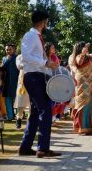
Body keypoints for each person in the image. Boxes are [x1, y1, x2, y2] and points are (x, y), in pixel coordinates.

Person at [18, 10, 61, 158]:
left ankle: (25, 147)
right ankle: (43, 148)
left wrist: (47, 65)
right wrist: (45, 62)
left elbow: (33, 56)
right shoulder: (30, 35)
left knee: (36, 112)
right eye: (46, 21)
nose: (47, 24)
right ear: (43, 21)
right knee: (45, 110)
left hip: (36, 76)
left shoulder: (36, 36)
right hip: (33, 77)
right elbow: (26, 55)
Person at [0, 43, 19, 121]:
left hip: (16, 82)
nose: (8, 51)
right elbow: (1, 70)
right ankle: (10, 117)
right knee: (8, 100)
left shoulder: (17, 58)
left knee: (17, 100)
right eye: (7, 49)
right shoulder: (4, 58)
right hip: (6, 82)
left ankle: (18, 117)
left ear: (13, 49)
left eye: (10, 49)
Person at [14, 54, 30, 129]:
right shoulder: (19, 57)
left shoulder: (34, 55)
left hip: (33, 81)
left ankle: (30, 121)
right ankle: (18, 119)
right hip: (22, 81)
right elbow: (19, 66)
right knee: (21, 101)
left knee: (32, 102)